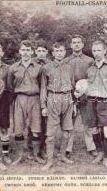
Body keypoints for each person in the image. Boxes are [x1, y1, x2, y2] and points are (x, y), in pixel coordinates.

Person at [83, 40, 107, 169]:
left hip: (105, 102)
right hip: (91, 101)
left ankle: (106, 158)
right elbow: (85, 84)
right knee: (93, 128)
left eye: (99, 50)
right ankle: (99, 152)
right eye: (94, 51)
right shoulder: (89, 67)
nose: (97, 53)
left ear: (105, 51)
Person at [7, 40, 45, 165]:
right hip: (19, 99)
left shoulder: (39, 68)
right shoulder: (13, 68)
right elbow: (10, 86)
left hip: (35, 99)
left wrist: (42, 103)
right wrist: (15, 100)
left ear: (32, 52)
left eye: (28, 50)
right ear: (19, 51)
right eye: (23, 50)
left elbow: (42, 86)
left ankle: (35, 155)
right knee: (18, 129)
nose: (25, 52)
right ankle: (19, 155)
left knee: (36, 129)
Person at [40, 39, 75, 171]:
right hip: (53, 98)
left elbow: (72, 86)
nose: (59, 53)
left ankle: (62, 155)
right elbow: (43, 88)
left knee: (67, 131)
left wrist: (74, 104)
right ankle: (49, 161)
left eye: (61, 51)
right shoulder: (46, 68)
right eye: (57, 51)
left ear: (65, 52)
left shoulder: (69, 67)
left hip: (67, 98)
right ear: (53, 53)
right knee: (51, 133)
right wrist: (43, 106)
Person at [66, 34, 97, 157]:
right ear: (71, 45)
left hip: (86, 96)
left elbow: (93, 78)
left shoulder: (90, 60)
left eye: (79, 42)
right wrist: (72, 92)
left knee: (87, 122)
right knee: (69, 123)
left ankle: (91, 147)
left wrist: (85, 90)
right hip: (71, 96)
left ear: (83, 45)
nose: (76, 44)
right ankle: (67, 147)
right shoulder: (66, 61)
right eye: (74, 42)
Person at [28, 40, 51, 159]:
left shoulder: (50, 64)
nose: (41, 53)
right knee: (32, 123)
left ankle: (43, 148)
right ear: (36, 52)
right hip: (34, 96)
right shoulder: (30, 64)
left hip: (48, 96)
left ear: (47, 52)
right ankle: (31, 148)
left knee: (45, 124)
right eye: (39, 51)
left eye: (43, 51)